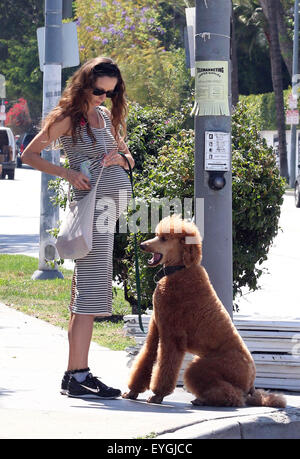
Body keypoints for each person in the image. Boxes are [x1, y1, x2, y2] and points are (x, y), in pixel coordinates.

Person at [21, 56, 134, 399]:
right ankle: (77, 375)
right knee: (89, 295)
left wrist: (121, 159)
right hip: (91, 213)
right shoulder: (70, 119)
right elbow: (29, 154)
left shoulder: (104, 117)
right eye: (99, 91)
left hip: (106, 215)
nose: (103, 98)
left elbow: (129, 158)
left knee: (89, 294)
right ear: (85, 84)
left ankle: (77, 374)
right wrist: (68, 174)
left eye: (110, 94)